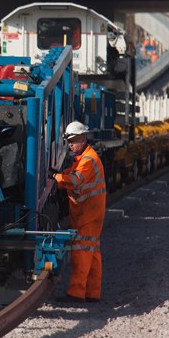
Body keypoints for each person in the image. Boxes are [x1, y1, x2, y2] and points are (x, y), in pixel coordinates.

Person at [50, 121, 106, 303]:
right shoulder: (83, 159)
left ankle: (76, 293)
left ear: (83, 139)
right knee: (93, 252)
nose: (70, 145)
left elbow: (75, 181)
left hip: (88, 213)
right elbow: (70, 173)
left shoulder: (88, 160)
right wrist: (58, 175)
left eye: (73, 141)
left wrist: (55, 178)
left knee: (81, 252)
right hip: (90, 212)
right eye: (69, 141)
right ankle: (93, 293)